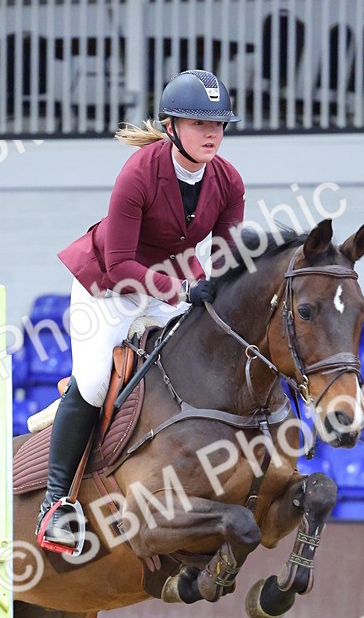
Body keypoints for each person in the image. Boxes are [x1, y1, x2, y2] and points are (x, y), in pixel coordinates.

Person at [36, 68, 245, 552]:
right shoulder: (139, 173)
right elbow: (120, 262)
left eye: (218, 124)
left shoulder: (228, 180)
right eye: (199, 123)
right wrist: (180, 287)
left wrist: (215, 286)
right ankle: (55, 505)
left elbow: (226, 254)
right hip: (109, 288)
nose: (212, 133)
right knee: (92, 382)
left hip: (169, 285)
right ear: (172, 127)